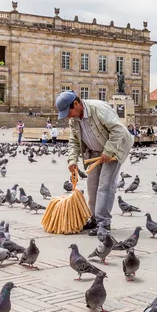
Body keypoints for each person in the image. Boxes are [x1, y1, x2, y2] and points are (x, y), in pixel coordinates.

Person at [56, 90, 134, 236]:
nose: (68, 116)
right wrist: (72, 160)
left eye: (68, 111)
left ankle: (104, 223)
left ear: (76, 103)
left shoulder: (98, 109)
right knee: (92, 187)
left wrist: (108, 151)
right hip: (93, 152)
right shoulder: (74, 120)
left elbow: (119, 131)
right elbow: (73, 141)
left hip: (114, 149)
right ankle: (94, 219)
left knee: (105, 186)